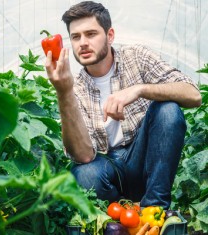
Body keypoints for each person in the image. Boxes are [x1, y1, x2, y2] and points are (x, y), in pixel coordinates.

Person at [44, 1, 202, 209]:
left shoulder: (136, 57)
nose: (82, 43)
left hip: (143, 158)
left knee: (167, 110)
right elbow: (83, 156)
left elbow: (193, 94)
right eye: (76, 36)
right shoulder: (75, 88)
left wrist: (139, 90)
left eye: (91, 34)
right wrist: (63, 92)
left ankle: (154, 209)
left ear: (110, 35)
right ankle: (120, 215)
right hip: (110, 169)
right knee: (84, 174)